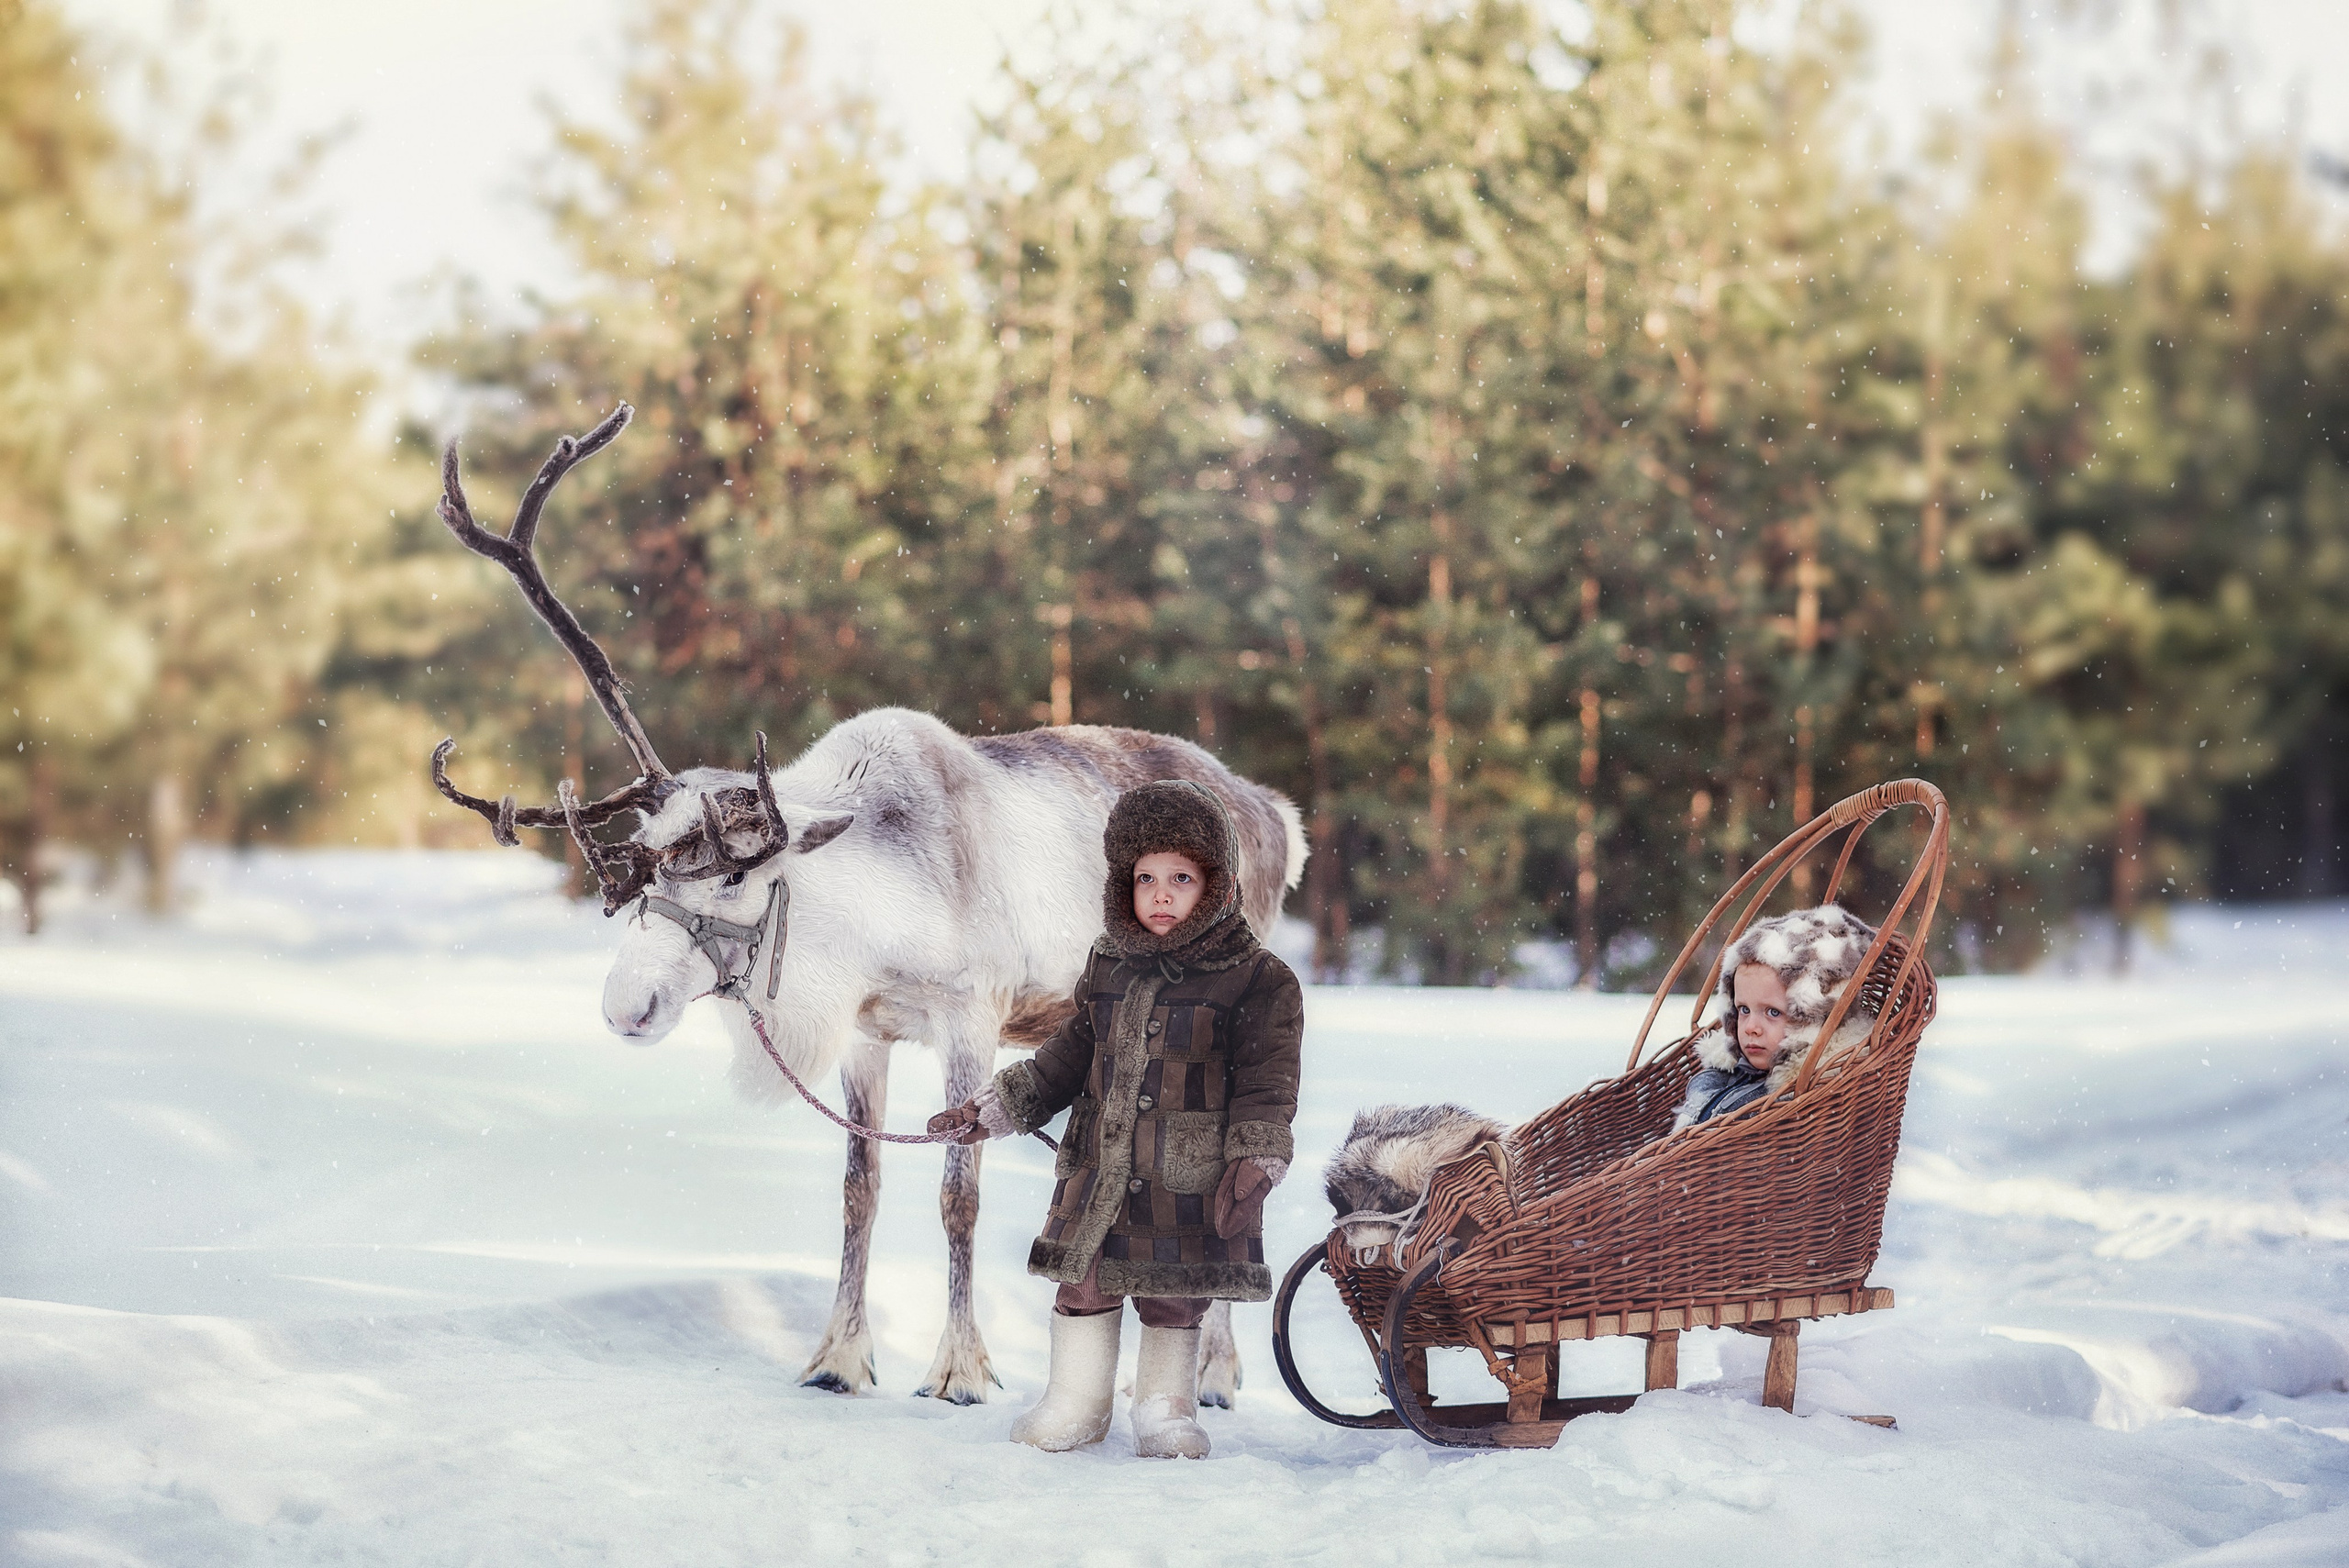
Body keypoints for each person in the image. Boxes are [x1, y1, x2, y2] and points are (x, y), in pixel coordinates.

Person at [928, 780, 1303, 1459]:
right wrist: (995, 1108)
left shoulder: (1257, 979)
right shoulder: (1109, 963)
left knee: (1172, 1294)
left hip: (1184, 1178)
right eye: (1146, 877)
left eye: (1181, 877)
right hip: (1100, 1170)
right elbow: (1070, 1053)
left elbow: (1268, 1082)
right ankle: (1076, 1401)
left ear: (1217, 883)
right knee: (1085, 1283)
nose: (1161, 894)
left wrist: (1257, 1157)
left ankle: (1164, 1408)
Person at [1672, 904, 1880, 1131]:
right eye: (1743, 1010)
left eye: (1772, 1012)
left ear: (1812, 1020)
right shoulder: (1724, 1072)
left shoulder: (1795, 1105)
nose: (1751, 1027)